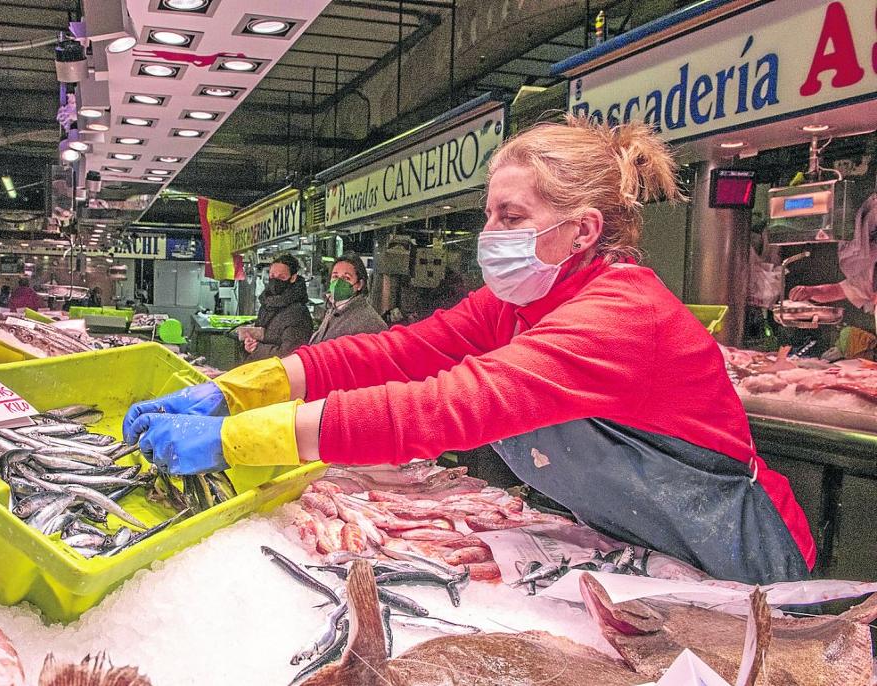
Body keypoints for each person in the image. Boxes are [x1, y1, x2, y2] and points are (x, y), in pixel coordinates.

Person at [123, 117, 815, 585]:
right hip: (641, 551)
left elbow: (445, 406)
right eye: (489, 215)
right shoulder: (519, 303)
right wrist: (241, 391)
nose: (491, 234)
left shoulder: (620, 313)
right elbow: (397, 354)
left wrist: (240, 440)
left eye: (511, 218)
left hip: (737, 557)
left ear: (583, 231)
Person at [245, 254, 312, 361]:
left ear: (293, 278)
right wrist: (251, 343)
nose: (275, 281)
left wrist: (258, 348)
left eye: (281, 277)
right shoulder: (267, 304)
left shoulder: (298, 313)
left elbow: (290, 354)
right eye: (272, 276)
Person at [309, 253, 387, 345]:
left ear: (359, 284)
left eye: (346, 278)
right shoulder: (333, 309)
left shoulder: (369, 322)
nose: (338, 282)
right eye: (335, 276)